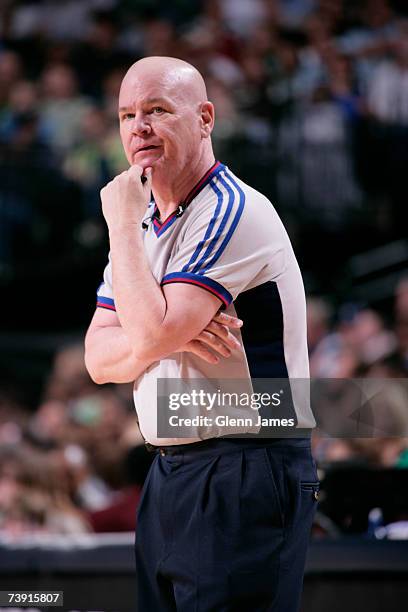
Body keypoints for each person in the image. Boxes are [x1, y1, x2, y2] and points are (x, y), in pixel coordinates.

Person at [84, 56, 318, 612]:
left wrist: (158, 329)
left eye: (157, 110)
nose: (138, 126)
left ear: (206, 118)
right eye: (126, 115)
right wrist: (163, 335)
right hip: (169, 470)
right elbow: (97, 358)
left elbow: (150, 330)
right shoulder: (141, 223)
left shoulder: (232, 209)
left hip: (246, 466)